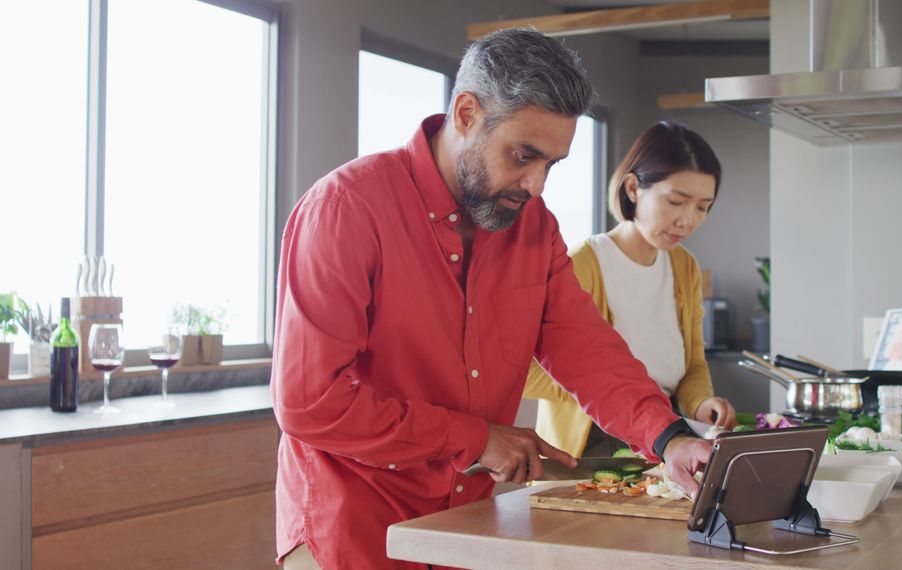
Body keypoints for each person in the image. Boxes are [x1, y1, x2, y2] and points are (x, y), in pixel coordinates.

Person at [270, 28, 713, 569]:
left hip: (463, 525)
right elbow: (308, 402)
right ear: (466, 113)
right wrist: (474, 439)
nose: (536, 184)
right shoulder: (346, 210)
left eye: (552, 163)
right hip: (350, 524)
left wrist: (669, 438)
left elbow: (584, 347)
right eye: (524, 155)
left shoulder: (535, 229)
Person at [524, 122, 736, 459]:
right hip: (594, 437)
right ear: (634, 188)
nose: (688, 220)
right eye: (677, 201)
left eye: (702, 206)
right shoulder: (581, 263)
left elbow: (693, 364)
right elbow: (527, 370)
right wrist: (609, 392)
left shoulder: (685, 267)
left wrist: (699, 403)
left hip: (664, 426)